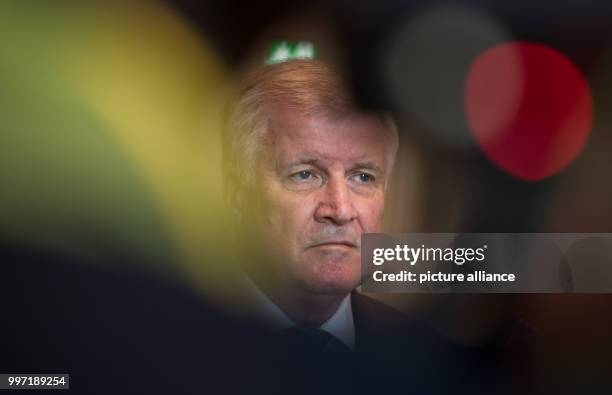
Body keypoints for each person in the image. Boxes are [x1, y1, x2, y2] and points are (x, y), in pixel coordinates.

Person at [221, 59, 505, 394]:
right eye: (305, 175)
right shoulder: (164, 345)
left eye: (363, 177)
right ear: (238, 195)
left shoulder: (436, 365)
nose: (340, 210)